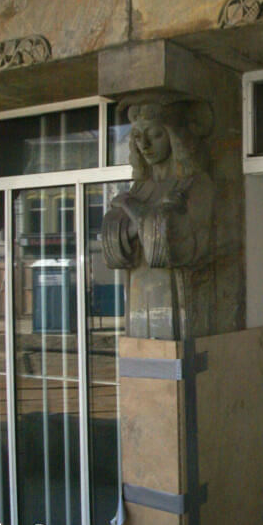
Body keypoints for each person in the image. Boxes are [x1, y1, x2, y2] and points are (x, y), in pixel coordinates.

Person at [101, 91, 214, 339]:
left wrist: (132, 209)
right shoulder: (140, 188)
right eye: (139, 137)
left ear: (174, 136)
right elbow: (113, 239)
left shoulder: (194, 183)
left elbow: (179, 241)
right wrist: (146, 220)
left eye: (155, 134)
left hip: (178, 296)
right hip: (139, 289)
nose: (146, 145)